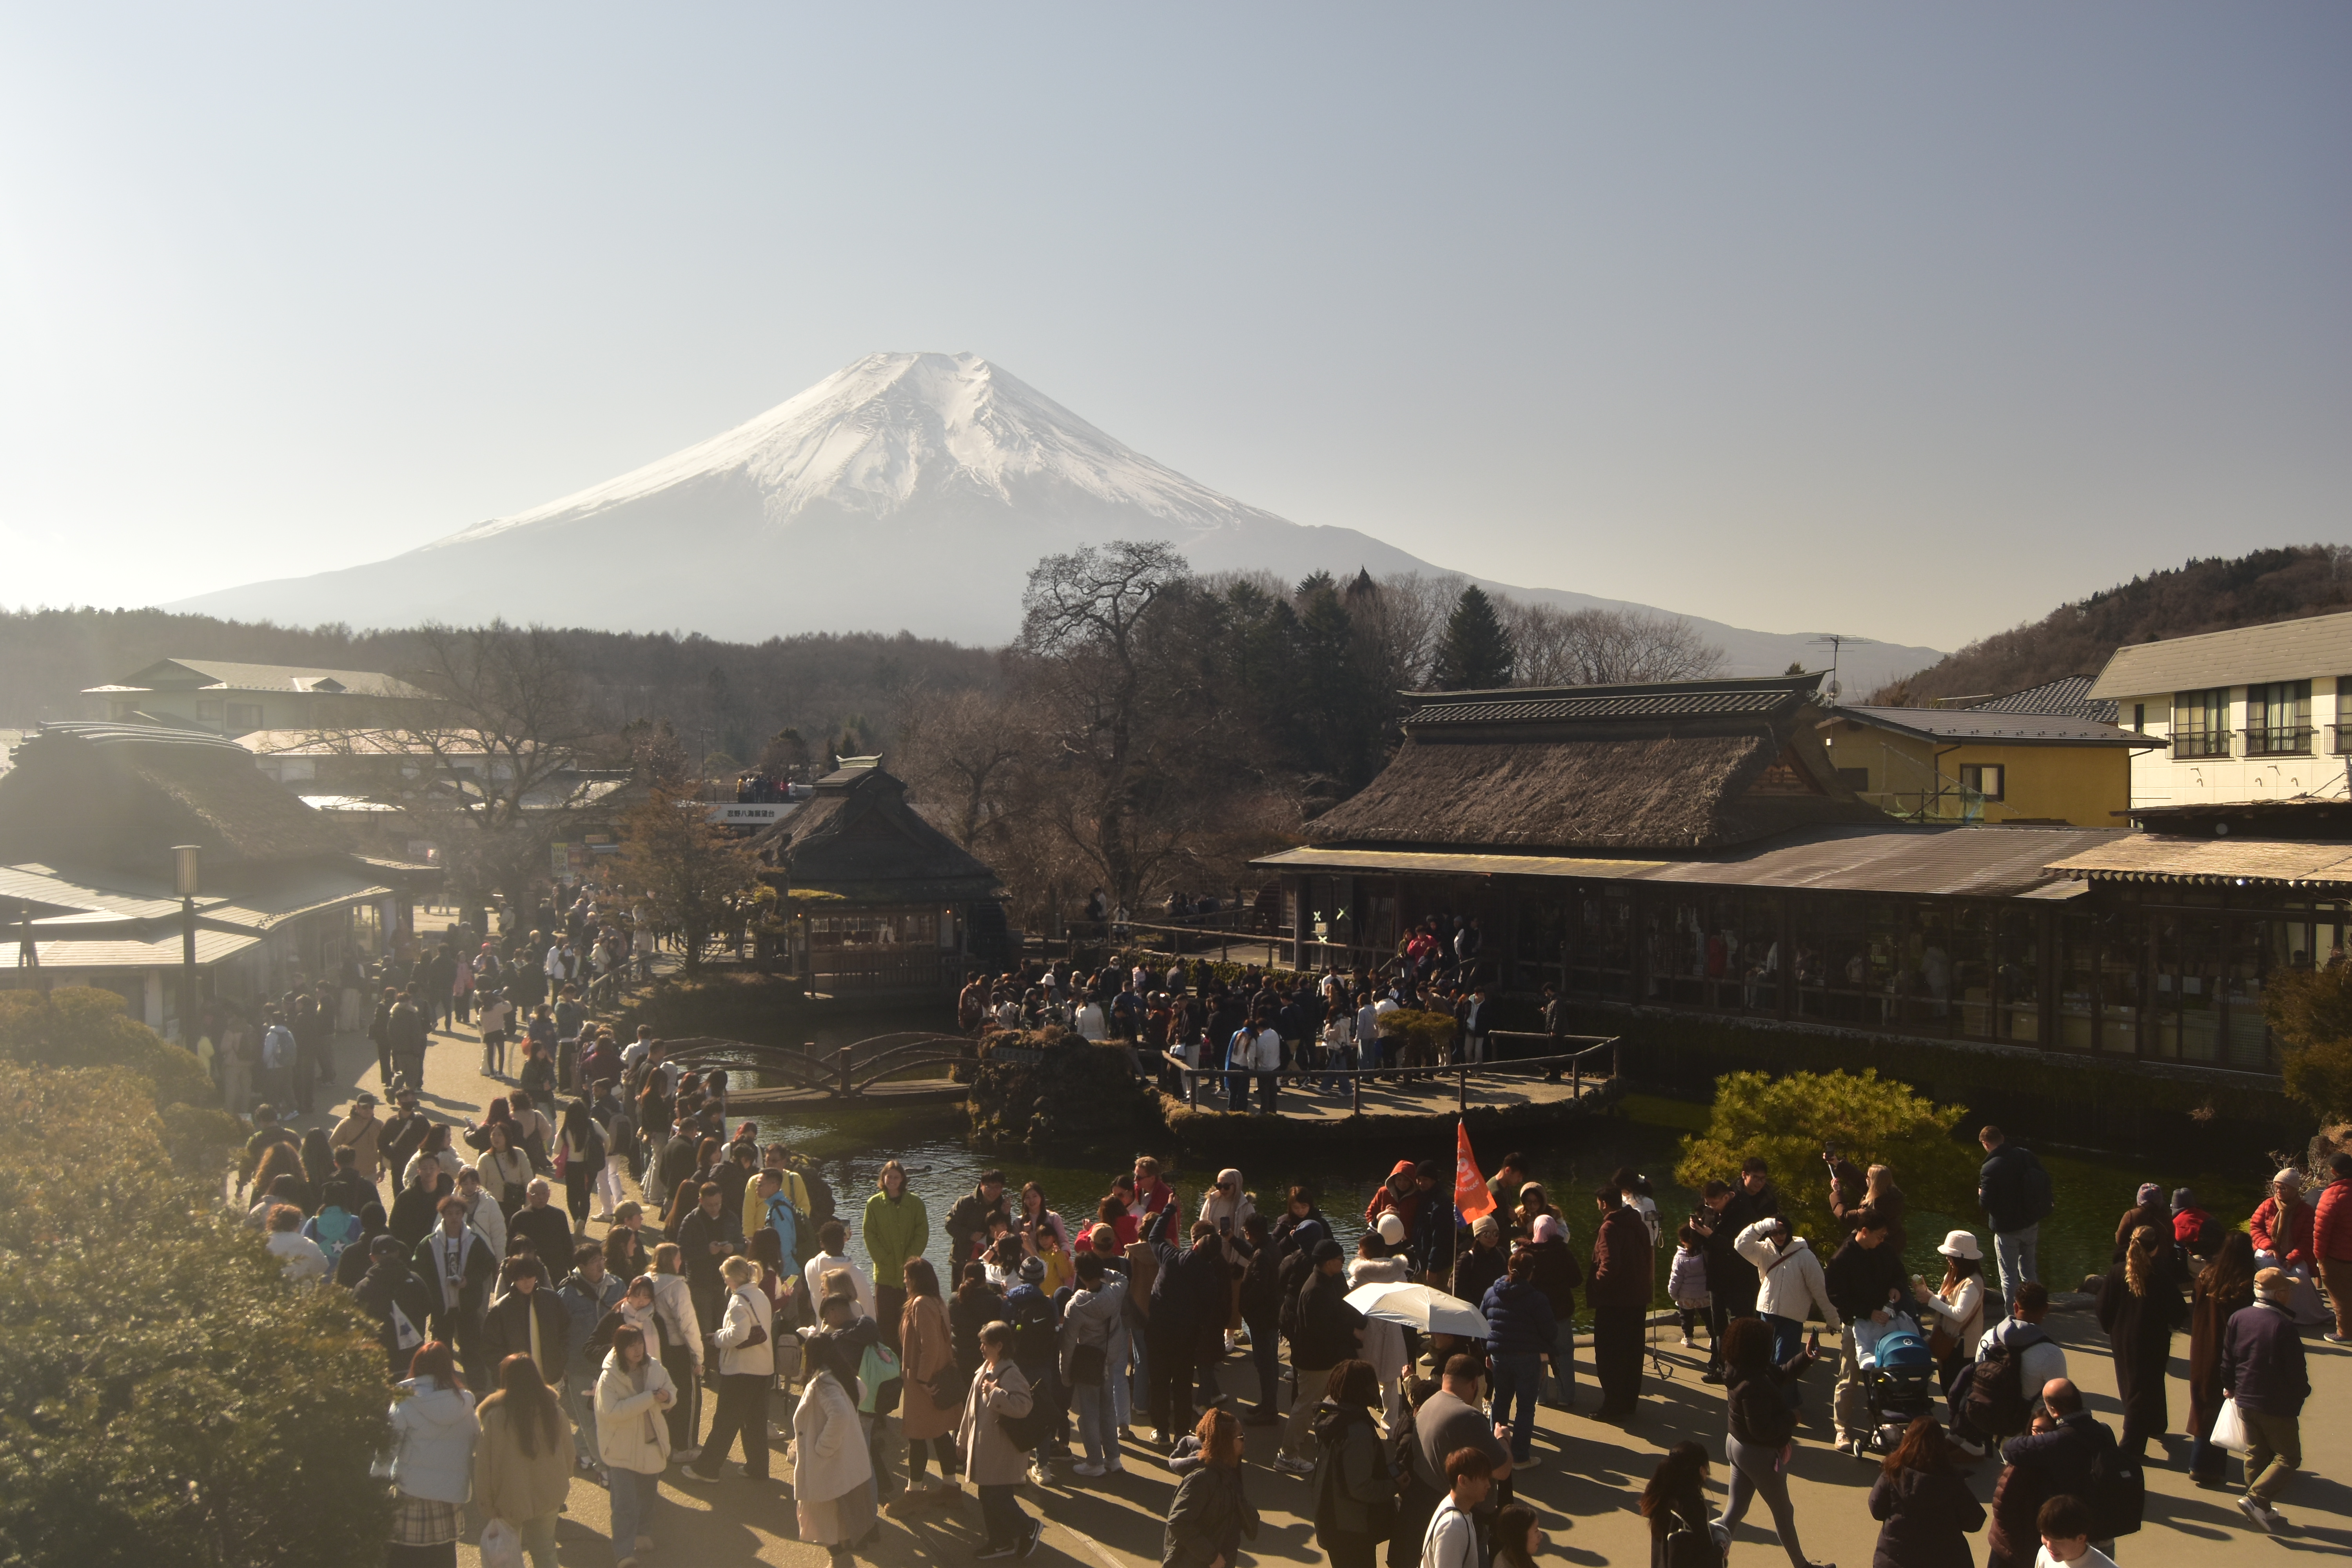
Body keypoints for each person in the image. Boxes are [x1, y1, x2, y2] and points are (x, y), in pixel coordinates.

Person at [1710, 1317, 1829, 1568]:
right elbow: (1763, 1431)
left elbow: (1781, 1374)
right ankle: (1802, 1565)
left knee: (1735, 1510)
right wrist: (1792, 1418)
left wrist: (1806, 1357)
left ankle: (1708, 1551)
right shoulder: (1753, 1385)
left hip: (1737, 1444)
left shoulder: (1742, 1368)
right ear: (1758, 1349)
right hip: (1757, 1453)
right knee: (1784, 1512)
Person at [1985, 1379, 2118, 1568]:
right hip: (2100, 1528)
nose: (2041, 1436)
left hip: (2071, 1535)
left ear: (2054, 1411)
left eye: (2046, 1432)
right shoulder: (2104, 1431)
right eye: (2037, 1431)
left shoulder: (2056, 1442)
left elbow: (2010, 1448)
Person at [2221, 1265, 2311, 1534]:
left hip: (2245, 1397)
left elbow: (2228, 1359)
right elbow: (2296, 1371)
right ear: (2278, 1294)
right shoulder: (2283, 1326)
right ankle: (2257, 1499)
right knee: (2288, 1457)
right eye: (2289, 1289)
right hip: (2275, 1403)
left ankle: (2261, 1509)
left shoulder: (2238, 1317)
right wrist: (2301, 1395)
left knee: (2256, 1453)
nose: (2292, 1294)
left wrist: (2230, 1387)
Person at [473, 1352, 574, 1568]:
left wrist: (486, 1504)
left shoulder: (495, 1418)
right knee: (546, 1552)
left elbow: (483, 1467)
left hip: (507, 1500)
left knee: (505, 1557)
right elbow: (569, 1455)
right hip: (549, 1495)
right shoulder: (554, 1412)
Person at [683, 1254, 777, 1485]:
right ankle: (758, 1468)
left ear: (732, 1278)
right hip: (764, 1368)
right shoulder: (760, 1294)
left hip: (742, 1370)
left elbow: (739, 1335)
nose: (725, 1282)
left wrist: (716, 1338)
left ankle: (707, 1469)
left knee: (725, 1421)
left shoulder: (738, 1300)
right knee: (755, 1422)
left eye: (725, 1277)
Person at [2096, 1223, 2187, 1459]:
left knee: (2130, 1383)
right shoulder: (2160, 1276)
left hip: (2122, 1337)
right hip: (2152, 1341)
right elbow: (2178, 1312)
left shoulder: (2117, 1272)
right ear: (2155, 1249)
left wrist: (2111, 1328)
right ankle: (2130, 1447)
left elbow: (2102, 1307)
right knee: (2146, 1387)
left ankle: (2156, 1423)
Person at [793, 1309, 879, 1556]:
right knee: (838, 1517)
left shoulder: (823, 1383)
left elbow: (839, 1414)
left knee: (823, 1517)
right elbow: (860, 1393)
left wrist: (823, 1447)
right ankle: (844, 1553)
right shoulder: (842, 1374)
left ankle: (840, 1559)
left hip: (826, 1462)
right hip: (839, 1461)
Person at [387, 1341, 479, 1568]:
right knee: (444, 1556)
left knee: (403, 1556)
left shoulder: (404, 1401)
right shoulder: (465, 1403)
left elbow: (387, 1449)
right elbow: (475, 1441)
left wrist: (377, 1487)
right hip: (450, 1494)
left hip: (411, 1492)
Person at [1280, 1237, 1367, 1475]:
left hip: (1322, 1358)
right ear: (1329, 1262)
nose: (1343, 1261)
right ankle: (1288, 1455)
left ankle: (1323, 1440)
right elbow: (1322, 1330)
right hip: (1315, 1360)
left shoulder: (1325, 1281)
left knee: (1324, 1402)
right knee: (1306, 1405)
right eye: (1340, 1259)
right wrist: (1352, 1332)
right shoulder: (1316, 1291)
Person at [1954, 1281, 2068, 1459]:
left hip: (1988, 1415)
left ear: (2015, 1306)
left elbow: (1978, 1375)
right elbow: (2059, 1401)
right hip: (2027, 1429)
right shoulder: (2051, 1354)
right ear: (2046, 1309)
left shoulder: (1989, 1338)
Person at [958, 1320, 1042, 1561]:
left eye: (985, 1344)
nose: (981, 1348)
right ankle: (1000, 1542)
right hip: (987, 1448)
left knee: (998, 1498)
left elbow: (1024, 1406)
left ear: (999, 1345)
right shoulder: (985, 1368)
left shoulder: (1011, 1373)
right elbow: (970, 1409)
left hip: (1001, 1450)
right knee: (989, 1496)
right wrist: (963, 1440)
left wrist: (995, 1392)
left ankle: (1028, 1527)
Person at [595, 1323, 677, 1568]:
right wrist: (649, 1398)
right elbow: (612, 1412)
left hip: (651, 1444)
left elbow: (672, 1391)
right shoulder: (609, 1377)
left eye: (640, 1343)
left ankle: (642, 1534)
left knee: (647, 1497)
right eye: (631, 1346)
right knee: (624, 1505)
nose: (638, 1349)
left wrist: (667, 1398)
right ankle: (624, 1554)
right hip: (621, 1449)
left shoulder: (654, 1367)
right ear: (620, 1349)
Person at [1824, 1210, 1904, 1455]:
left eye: (1885, 1237)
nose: (1882, 1240)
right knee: (1849, 1376)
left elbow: (1899, 1274)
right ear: (1864, 1232)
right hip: (1856, 1323)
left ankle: (1882, 1422)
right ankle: (1842, 1428)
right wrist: (1867, 1312)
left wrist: (1896, 1289)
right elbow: (1835, 1296)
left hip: (1883, 1323)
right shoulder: (1842, 1258)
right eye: (1879, 1236)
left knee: (1883, 1375)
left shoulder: (1885, 1250)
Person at [2183, 1229, 2256, 1486]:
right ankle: (2210, 1468)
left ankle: (2199, 1463)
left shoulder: (2206, 1276)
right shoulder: (2245, 1285)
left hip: (2202, 1347)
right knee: (2224, 1406)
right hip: (2229, 1351)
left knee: (2204, 1405)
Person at [1309, 1360, 1398, 1568]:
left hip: (1331, 1518)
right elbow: (1361, 1488)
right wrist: (1395, 1485)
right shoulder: (1356, 1431)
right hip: (1351, 1528)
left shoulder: (1330, 1411)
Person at [1866, 1415, 1982, 1568]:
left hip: (1894, 1560)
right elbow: (1974, 1522)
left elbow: (1876, 1509)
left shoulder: (1893, 1473)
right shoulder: (1953, 1481)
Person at [1736, 1212, 1840, 1379]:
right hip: (1766, 1314)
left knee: (1785, 1364)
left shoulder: (1805, 1256)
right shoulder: (1763, 1250)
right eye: (1774, 1233)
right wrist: (1763, 1225)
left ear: (1790, 1231)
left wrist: (1833, 1320)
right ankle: (1767, 1401)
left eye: (1782, 1232)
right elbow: (1740, 1245)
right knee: (1765, 1362)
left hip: (1792, 1319)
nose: (1778, 1237)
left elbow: (1820, 1290)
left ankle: (1787, 1402)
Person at [895, 1258, 963, 1508]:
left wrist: (922, 1379)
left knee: (917, 1436)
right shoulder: (938, 1301)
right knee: (940, 1434)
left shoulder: (921, 1304)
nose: (904, 1282)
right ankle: (950, 1486)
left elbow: (930, 1346)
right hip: (941, 1377)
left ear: (915, 1280)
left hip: (924, 1382)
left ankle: (914, 1492)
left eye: (906, 1278)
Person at [1481, 1247, 1557, 1466]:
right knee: (1525, 1407)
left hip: (1499, 1355)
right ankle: (1520, 1456)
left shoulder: (1491, 1293)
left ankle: (1494, 1450)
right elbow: (1550, 1331)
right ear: (1531, 1273)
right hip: (1527, 1357)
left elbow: (1481, 1323)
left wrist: (1487, 1351)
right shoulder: (1536, 1299)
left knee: (1501, 1402)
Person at [556, 1241, 625, 1481]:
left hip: (611, 1364)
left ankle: (581, 1451)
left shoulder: (617, 1286)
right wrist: (562, 1368)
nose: (600, 1265)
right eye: (594, 1262)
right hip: (580, 1367)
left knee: (608, 1416)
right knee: (589, 1419)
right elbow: (559, 1334)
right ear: (581, 1267)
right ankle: (605, 1468)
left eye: (602, 1260)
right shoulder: (566, 1295)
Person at [1163, 1407, 1258, 1568]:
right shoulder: (1203, 1478)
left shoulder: (1228, 1470)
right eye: (1241, 1437)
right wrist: (1213, 1557)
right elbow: (1178, 1522)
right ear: (1226, 1443)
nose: (1245, 1440)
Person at [1589, 1185, 1652, 1420]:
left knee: (1609, 1355)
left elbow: (1609, 1265)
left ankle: (1612, 1404)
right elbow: (1647, 1254)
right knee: (1632, 1353)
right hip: (1637, 1299)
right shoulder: (1637, 1222)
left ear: (1604, 1203)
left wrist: (1596, 1284)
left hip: (1614, 1302)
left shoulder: (1609, 1228)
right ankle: (1628, 1402)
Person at [1977, 1125, 2051, 1311]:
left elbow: (1985, 1203)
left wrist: (1981, 1193)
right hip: (2031, 1222)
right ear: (2002, 1138)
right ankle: (2035, 1311)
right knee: (2029, 1271)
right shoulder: (2026, 1155)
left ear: (1986, 1144)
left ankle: (2011, 1318)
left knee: (2009, 1277)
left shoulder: (1990, 1167)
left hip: (2007, 1229)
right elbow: (2044, 1180)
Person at [1911, 1230, 1988, 1399]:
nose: (1947, 1259)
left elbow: (1960, 1314)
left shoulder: (1973, 1283)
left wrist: (1931, 1300)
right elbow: (1946, 1300)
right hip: (1947, 1340)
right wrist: (1928, 1294)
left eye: (1950, 1255)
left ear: (1962, 1259)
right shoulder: (1951, 1276)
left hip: (1962, 1347)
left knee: (1957, 1393)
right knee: (1948, 1388)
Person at [864, 1158, 929, 1352]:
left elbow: (922, 1231)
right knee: (885, 1321)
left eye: (896, 1177)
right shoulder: (874, 1204)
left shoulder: (915, 1203)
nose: (892, 1180)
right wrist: (882, 1258)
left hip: (909, 1275)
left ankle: (909, 1357)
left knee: (909, 1320)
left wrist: (911, 1259)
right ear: (883, 1178)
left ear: (903, 1179)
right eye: (889, 1176)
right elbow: (869, 1234)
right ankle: (889, 1361)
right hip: (884, 1275)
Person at [355, 1232, 439, 1376]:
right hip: (412, 1360)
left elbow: (355, 1321)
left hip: (378, 1363)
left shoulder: (363, 1288)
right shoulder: (416, 1281)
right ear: (398, 1253)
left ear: (372, 1257)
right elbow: (428, 1308)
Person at [481, 1255, 571, 1388]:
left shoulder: (552, 1300)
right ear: (513, 1279)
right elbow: (490, 1348)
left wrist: (560, 1361)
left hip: (552, 1378)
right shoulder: (501, 1309)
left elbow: (566, 1332)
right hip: (518, 1384)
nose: (527, 1282)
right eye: (521, 1278)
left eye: (530, 1277)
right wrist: (508, 1372)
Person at [1641, 1441, 1720, 1568]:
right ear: (1701, 1470)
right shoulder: (1691, 1507)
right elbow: (1697, 1557)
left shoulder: (1662, 1497)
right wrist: (1721, 1552)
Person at [1420, 1447, 1493, 1568]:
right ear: (1463, 1481)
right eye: (1483, 1478)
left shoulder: (1453, 1508)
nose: (1488, 1485)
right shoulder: (1453, 1527)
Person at [802, 1218, 878, 1323]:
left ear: (821, 1244)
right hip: (850, 1333)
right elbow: (869, 1310)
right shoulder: (856, 1274)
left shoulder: (810, 1268)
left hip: (823, 1330)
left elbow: (823, 1257)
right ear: (844, 1240)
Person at [2313, 1151, 2352, 1344]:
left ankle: (2345, 1334)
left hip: (2338, 1256)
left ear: (2333, 1171)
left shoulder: (2333, 1194)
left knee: (2340, 1298)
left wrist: (2319, 1258)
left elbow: (2321, 1229)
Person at [2033, 1495, 2118, 1568]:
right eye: (2045, 1537)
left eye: (2057, 1541)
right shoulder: (2045, 1554)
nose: (2049, 1546)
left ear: (2081, 1538)